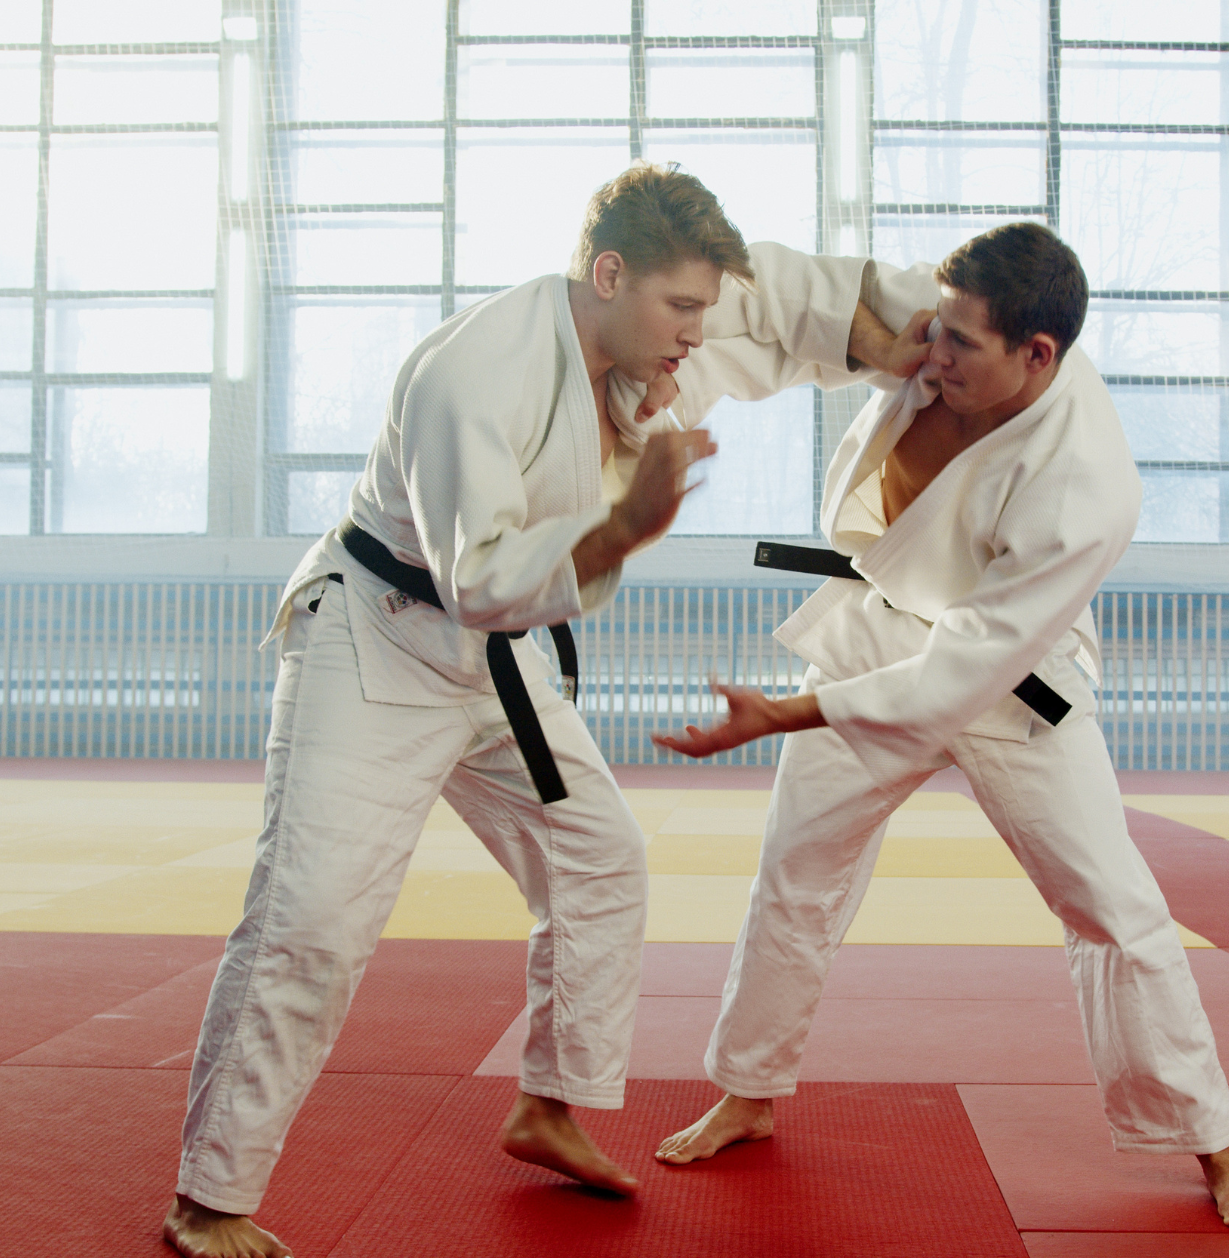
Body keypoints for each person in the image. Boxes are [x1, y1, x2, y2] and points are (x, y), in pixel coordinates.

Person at [162, 165, 893, 1258]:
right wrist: (628, 525)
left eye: (705, 309)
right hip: (382, 643)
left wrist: (914, 323)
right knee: (311, 918)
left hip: (495, 671)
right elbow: (480, 583)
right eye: (683, 308)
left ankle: (550, 1104)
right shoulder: (478, 373)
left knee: (602, 859)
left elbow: (782, 309)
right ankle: (208, 1199)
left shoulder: (622, 351)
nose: (700, 333)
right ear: (609, 273)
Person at [643, 223, 1229, 1230]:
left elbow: (964, 668)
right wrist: (658, 352)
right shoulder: (941, 318)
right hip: (878, 620)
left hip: (1010, 672)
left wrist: (788, 711)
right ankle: (750, 1090)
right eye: (934, 329)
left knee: (1110, 904)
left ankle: (1215, 1137)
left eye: (959, 346)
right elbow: (777, 290)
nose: (930, 355)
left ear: (1037, 355)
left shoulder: (1088, 485)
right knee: (797, 865)